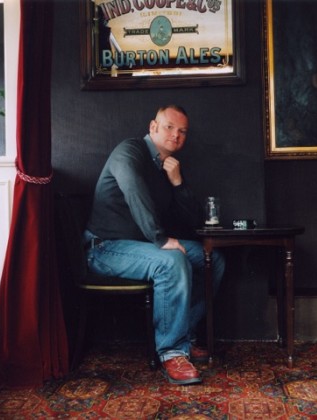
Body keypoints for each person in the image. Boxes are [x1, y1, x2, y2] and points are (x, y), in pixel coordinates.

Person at [84, 105, 225, 385]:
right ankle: (172, 352)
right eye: (170, 127)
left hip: (140, 247)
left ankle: (184, 335)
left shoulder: (166, 166)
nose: (176, 135)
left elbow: (193, 221)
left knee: (212, 258)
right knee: (172, 260)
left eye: (182, 131)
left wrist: (178, 183)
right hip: (105, 248)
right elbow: (133, 188)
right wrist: (160, 238)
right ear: (153, 127)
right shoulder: (129, 151)